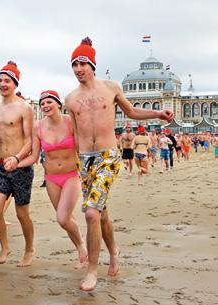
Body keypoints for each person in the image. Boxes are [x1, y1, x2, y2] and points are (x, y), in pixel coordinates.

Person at [64, 37, 174, 291]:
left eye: (83, 63)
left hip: (108, 157)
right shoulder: (70, 99)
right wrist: (72, 160)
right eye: (74, 65)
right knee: (101, 213)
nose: (78, 69)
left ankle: (92, 270)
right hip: (84, 160)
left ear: (92, 64)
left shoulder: (111, 88)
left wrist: (158, 113)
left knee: (91, 211)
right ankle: (113, 250)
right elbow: (73, 133)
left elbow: (132, 112)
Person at [17, 90, 87, 268]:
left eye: (49, 102)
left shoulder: (71, 122)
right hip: (51, 179)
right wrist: (15, 163)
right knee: (67, 218)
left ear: (58, 104)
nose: (45, 106)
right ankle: (80, 249)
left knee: (62, 218)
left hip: (71, 175)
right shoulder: (38, 126)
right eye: (42, 103)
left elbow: (82, 149)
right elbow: (33, 157)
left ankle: (81, 246)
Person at [0, 61, 35, 267]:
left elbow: (31, 140)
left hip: (20, 166)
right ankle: (5, 246)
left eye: (7, 80)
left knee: (22, 213)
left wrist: (17, 158)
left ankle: (29, 249)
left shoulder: (24, 108)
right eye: (0, 80)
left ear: (14, 83)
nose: (3, 84)